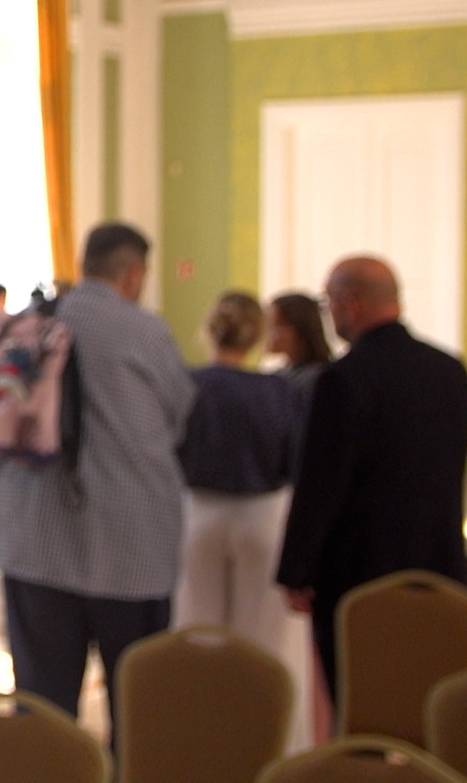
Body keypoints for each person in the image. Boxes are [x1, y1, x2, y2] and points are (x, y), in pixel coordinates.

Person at [0, 222, 195, 734]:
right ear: (133, 274)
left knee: (43, 711)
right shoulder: (145, 331)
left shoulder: (30, 325)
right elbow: (180, 416)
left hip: (34, 543)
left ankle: (47, 768)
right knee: (137, 708)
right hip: (130, 546)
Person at [276, 255, 467, 703]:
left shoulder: (343, 379)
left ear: (351, 302)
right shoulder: (450, 371)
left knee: (361, 698)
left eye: (329, 303)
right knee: (430, 692)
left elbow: (321, 484)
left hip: (360, 575)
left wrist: (296, 570)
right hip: (439, 563)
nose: (330, 314)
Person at [174, 291, 308, 745]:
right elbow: (294, 459)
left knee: (197, 634)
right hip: (262, 515)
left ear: (210, 330)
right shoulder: (279, 390)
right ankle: (264, 739)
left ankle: (200, 738)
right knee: (264, 644)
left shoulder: (187, 384)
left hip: (198, 512)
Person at [267, 292, 333, 400]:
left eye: (274, 326)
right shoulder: (280, 375)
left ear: (297, 329)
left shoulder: (318, 379)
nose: (267, 334)